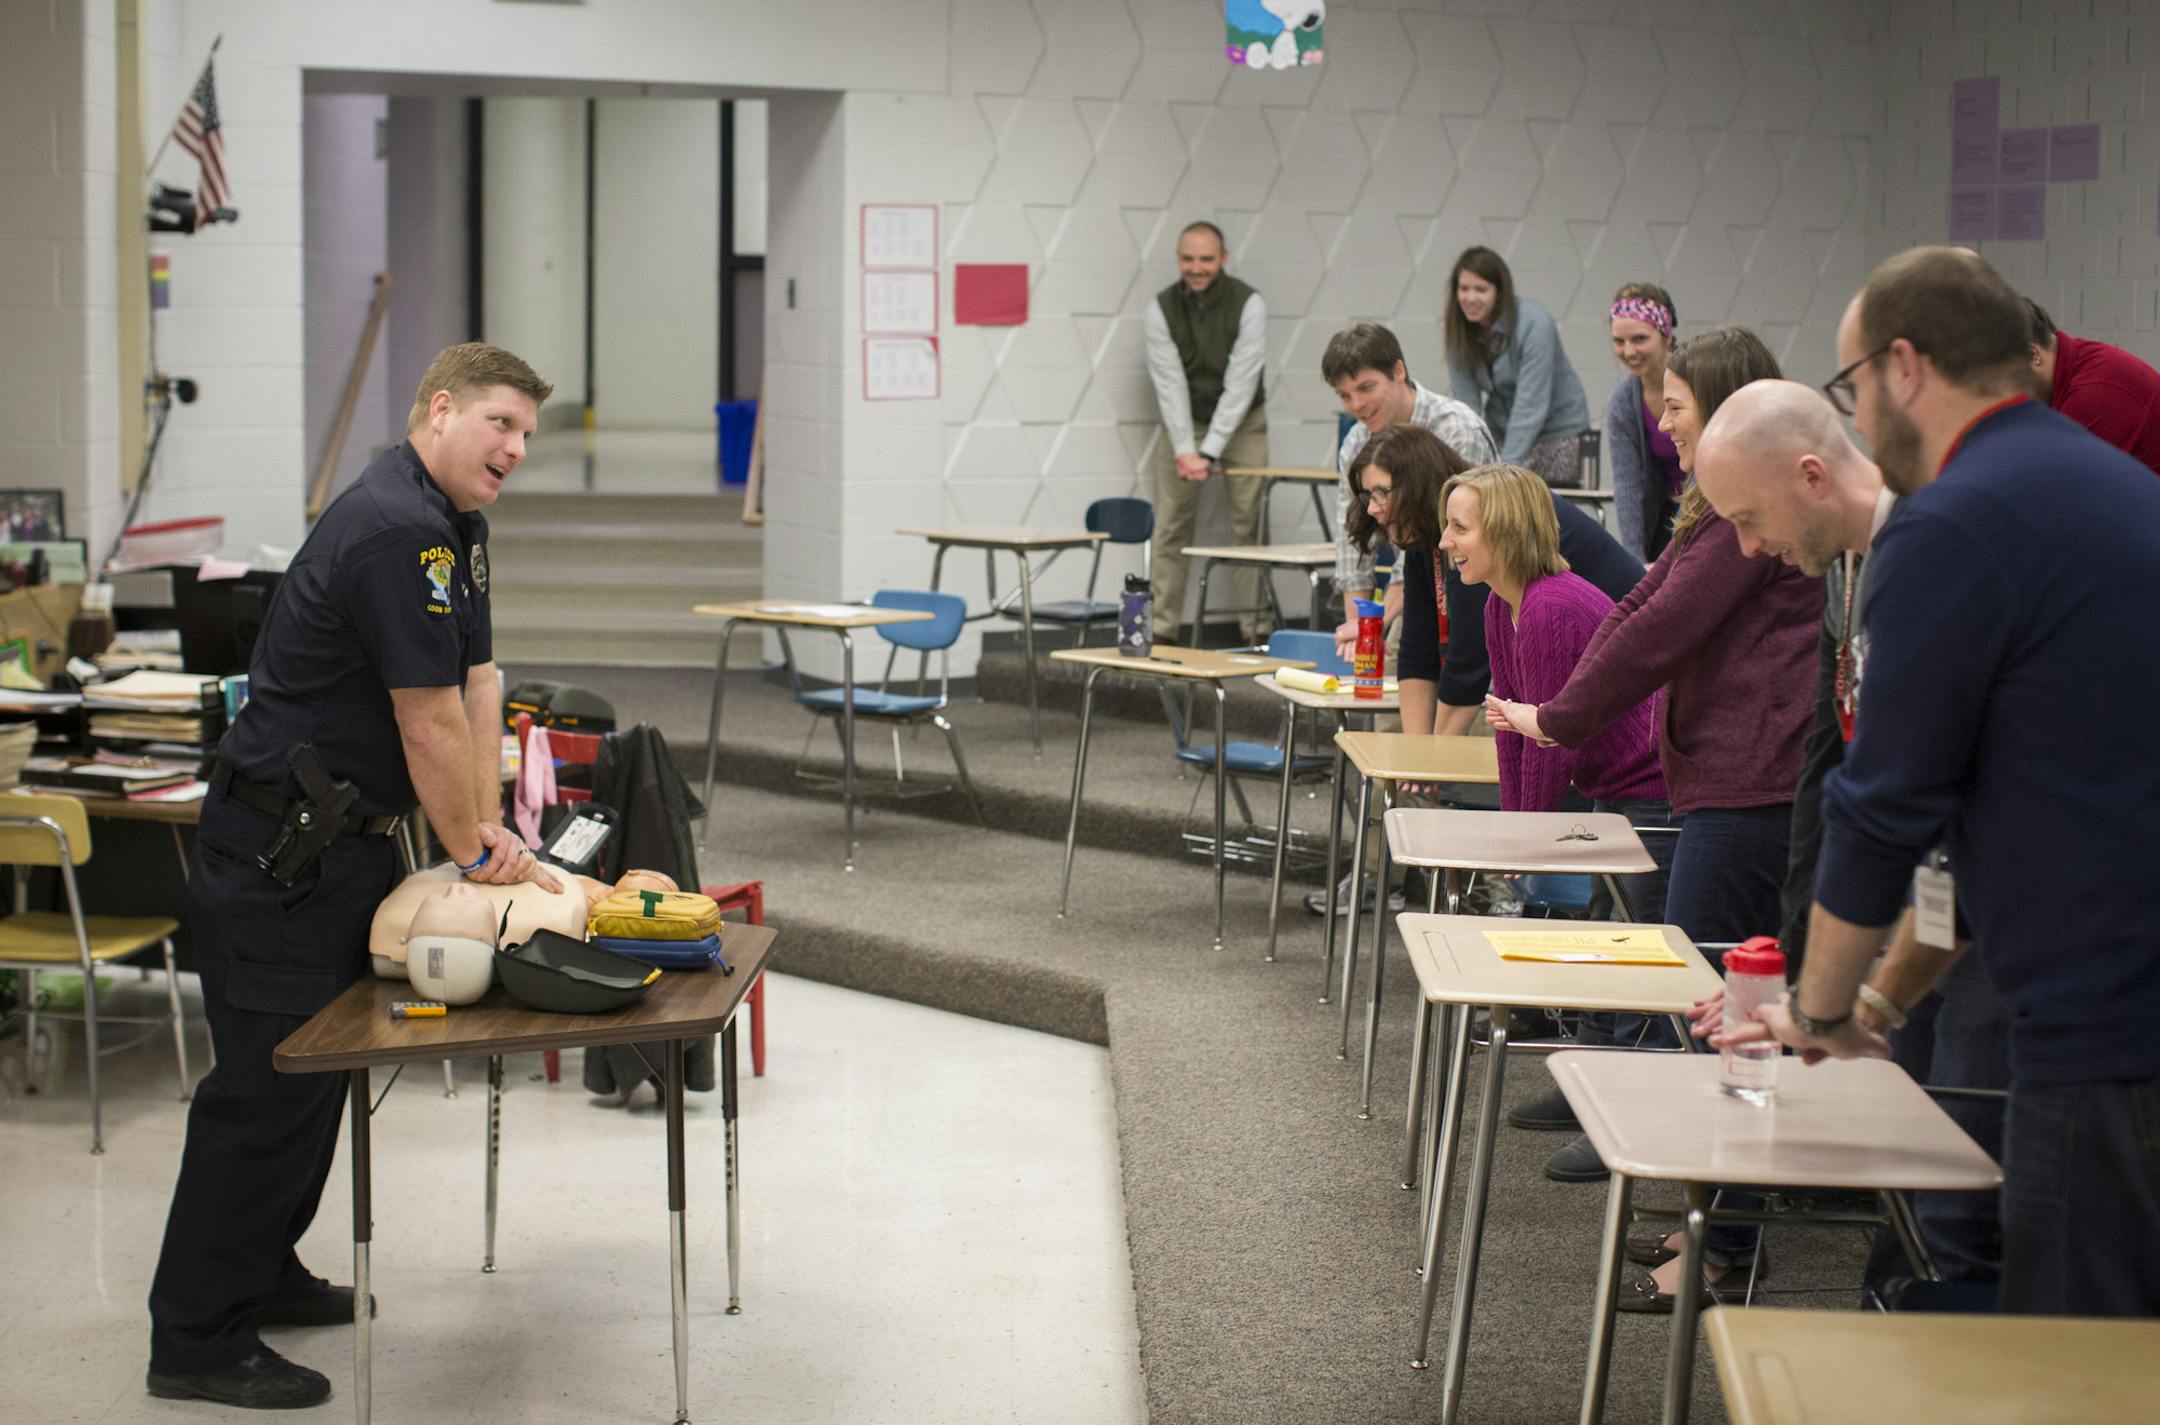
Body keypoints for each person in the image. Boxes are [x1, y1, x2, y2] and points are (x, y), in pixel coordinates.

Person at [1719, 247, 2160, 1318]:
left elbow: (1883, 812)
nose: (1858, 413)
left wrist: (1820, 1013)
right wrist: (1878, 1001)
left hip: (2095, 1023)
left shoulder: (1952, 524)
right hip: (2120, 993)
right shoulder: (2117, 484)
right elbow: (1982, 825)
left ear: (1903, 366)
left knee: (2076, 1356)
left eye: (1853, 386)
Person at [146, 343, 568, 1408]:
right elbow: (420, 717)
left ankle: (265, 1273)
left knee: (316, 1088)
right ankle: (195, 1339)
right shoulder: (393, 529)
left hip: (344, 854)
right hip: (279, 859)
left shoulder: (452, 527)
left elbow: (477, 684)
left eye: (527, 433)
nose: (515, 449)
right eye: (500, 424)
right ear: (440, 409)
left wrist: (489, 836)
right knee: (261, 1096)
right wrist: (476, 850)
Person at [1486, 330, 1818, 1263]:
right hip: (1726, 776)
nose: (1661, 422)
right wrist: (1561, 711)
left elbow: (1660, 630)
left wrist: (1558, 719)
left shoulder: (1744, 509)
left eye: (1676, 406)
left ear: (1726, 411)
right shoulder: (1711, 510)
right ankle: (1713, 1225)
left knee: (1720, 1013)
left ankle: (1724, 1248)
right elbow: (1636, 604)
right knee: (1710, 1007)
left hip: (1753, 783)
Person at [1691, 378, 2011, 1290]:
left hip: (2006, 915)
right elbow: (1830, 774)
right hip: (1940, 907)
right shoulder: (1846, 567)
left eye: (1752, 518)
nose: (1749, 547)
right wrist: (1807, 975)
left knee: (1961, 1192)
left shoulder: (1937, 555)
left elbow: (1916, 805)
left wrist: (1837, 1002)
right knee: (1906, 1170)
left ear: (1811, 474)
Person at [1437, 464, 1666, 902]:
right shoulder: (1499, 605)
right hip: (1613, 787)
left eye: (1459, 527)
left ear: (1504, 534)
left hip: (1648, 790)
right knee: (1608, 927)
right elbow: (1511, 730)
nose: (1445, 540)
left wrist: (1527, 841)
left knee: (1632, 935)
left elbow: (1552, 742)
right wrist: (1515, 828)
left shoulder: (1548, 607)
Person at [1323, 322, 1496, 664]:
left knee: (1465, 696)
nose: (1357, 404)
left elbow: (1434, 535)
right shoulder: (1356, 442)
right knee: (1392, 692)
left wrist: (1379, 619)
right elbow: (1353, 540)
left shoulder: (1457, 429)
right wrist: (1360, 626)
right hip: (1419, 586)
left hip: (1474, 589)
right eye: (1345, 396)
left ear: (1399, 371)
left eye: (1366, 387)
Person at [1143, 220, 1269, 642]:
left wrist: (1210, 450)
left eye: (1206, 259)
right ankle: (1160, 631)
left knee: (1248, 523)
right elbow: (1169, 384)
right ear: (1179, 259)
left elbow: (1241, 384)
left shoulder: (1249, 303)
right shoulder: (1160, 308)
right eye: (1188, 259)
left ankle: (1257, 630)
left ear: (1223, 259)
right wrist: (1186, 450)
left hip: (1243, 422)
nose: (1196, 268)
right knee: (1171, 524)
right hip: (1184, 422)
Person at [1443, 246, 1591, 487]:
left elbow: (1530, 405)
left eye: (1480, 289)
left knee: (1522, 505)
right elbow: (1466, 408)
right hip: (1504, 432)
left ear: (1500, 292)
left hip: (1558, 434)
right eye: (1464, 289)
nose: (1470, 298)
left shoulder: (1535, 323)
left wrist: (1503, 469)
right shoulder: (1459, 330)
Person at [2024, 298, 2160, 475]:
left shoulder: (2094, 392)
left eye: (1996, 377)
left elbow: (2058, 487)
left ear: (2033, 355)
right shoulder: (2076, 363)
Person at [1602, 283, 1687, 560]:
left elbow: (1707, 468)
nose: (1629, 351)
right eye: (1619, 341)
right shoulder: (1623, 400)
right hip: (1665, 516)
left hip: (1710, 509)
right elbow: (1628, 486)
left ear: (1666, 335)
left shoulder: (1696, 383)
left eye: (1639, 339)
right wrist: (1634, 562)